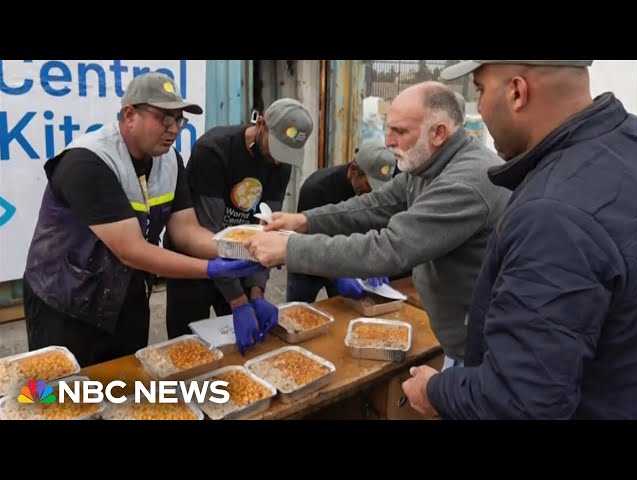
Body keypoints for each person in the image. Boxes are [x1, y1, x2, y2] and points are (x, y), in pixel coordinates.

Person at [401, 60, 637, 420]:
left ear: (516, 92)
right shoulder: (628, 144)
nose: (478, 107)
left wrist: (434, 391)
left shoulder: (553, 214)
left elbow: (518, 401)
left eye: (480, 89)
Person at [245, 81, 511, 366]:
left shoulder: (466, 182)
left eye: (400, 131)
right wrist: (304, 221)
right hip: (459, 338)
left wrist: (290, 249)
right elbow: (376, 204)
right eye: (388, 128)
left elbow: (390, 247)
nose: (388, 141)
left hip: (483, 347)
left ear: (439, 133)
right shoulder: (428, 163)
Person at [22, 72, 264, 367]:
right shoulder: (88, 163)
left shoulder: (170, 161)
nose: (173, 129)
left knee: (126, 390)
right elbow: (131, 250)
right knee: (59, 398)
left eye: (178, 120)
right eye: (164, 118)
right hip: (66, 303)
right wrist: (211, 269)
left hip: (126, 300)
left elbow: (186, 230)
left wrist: (237, 247)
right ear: (129, 114)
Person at [163, 98, 314, 353]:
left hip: (242, 258)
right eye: (277, 148)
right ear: (261, 123)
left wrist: (256, 291)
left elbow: (266, 227)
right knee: (186, 349)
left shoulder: (281, 164)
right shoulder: (214, 150)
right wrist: (238, 302)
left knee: (240, 348)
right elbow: (210, 234)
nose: (278, 161)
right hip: (197, 260)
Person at [287, 140, 397, 303]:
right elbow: (302, 239)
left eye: (380, 188)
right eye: (369, 185)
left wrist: (378, 263)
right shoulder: (317, 188)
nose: (374, 193)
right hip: (307, 265)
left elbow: (379, 230)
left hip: (345, 263)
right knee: (298, 314)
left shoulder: (383, 196)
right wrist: (336, 275)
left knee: (342, 311)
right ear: (354, 170)